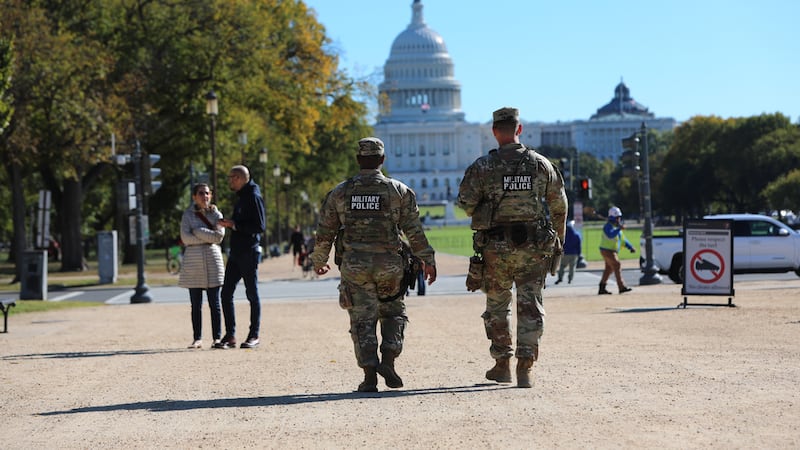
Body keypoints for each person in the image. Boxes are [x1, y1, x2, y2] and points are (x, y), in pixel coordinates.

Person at [311, 137, 437, 393]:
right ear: (382, 160)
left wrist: (319, 260)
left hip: (355, 264)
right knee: (393, 313)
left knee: (361, 320)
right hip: (389, 263)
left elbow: (325, 231)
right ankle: (388, 359)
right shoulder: (398, 191)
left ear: (358, 160)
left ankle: (369, 376)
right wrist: (428, 259)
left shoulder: (340, 192)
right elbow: (414, 231)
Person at [457, 107, 567, 388]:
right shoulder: (541, 164)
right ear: (520, 130)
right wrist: (559, 242)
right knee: (530, 305)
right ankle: (525, 367)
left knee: (497, 305)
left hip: (496, 247)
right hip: (533, 246)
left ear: (495, 132)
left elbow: (466, 204)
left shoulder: (483, 167)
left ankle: (502, 363)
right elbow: (559, 207)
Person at [217, 165, 266, 349]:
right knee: (226, 293)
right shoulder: (242, 197)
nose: (230, 181)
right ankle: (230, 335)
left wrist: (234, 225)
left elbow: (259, 226)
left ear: (240, 178)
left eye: (232, 178)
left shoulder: (253, 196)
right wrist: (231, 224)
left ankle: (254, 335)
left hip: (248, 251)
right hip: (236, 252)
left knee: (252, 293)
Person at [179, 183, 226, 349]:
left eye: (206, 193)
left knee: (215, 303)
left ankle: (217, 337)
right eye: (200, 193)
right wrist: (207, 236)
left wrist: (197, 231)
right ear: (194, 196)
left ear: (211, 195)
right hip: (194, 264)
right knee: (196, 305)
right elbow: (185, 238)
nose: (204, 196)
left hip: (213, 262)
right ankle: (197, 338)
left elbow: (219, 236)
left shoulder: (216, 214)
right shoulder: (187, 215)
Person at [598, 206, 635, 295]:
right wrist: (619, 229)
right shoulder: (608, 226)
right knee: (617, 265)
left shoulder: (616, 227)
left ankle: (602, 287)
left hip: (611, 251)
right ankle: (621, 287)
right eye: (617, 218)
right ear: (612, 217)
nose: (619, 219)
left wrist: (630, 247)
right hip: (607, 251)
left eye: (619, 217)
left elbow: (623, 240)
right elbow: (610, 235)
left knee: (609, 269)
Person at [555, 220, 582, 285]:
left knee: (562, 266)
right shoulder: (576, 234)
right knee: (572, 267)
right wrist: (579, 253)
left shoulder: (563, 235)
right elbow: (578, 246)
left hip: (565, 253)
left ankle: (560, 278)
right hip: (574, 253)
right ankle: (570, 279)